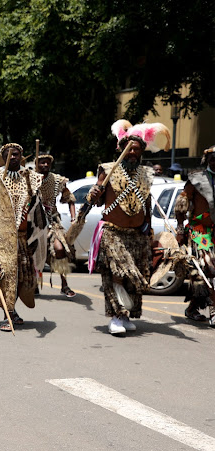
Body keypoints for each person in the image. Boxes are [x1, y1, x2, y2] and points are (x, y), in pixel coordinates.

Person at [87, 119, 166, 335]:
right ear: (121, 148)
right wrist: (93, 193)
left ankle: (127, 314)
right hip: (113, 232)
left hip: (138, 233)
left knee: (136, 276)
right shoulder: (108, 169)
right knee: (118, 272)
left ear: (141, 152)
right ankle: (116, 315)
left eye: (137, 150)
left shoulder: (146, 174)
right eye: (129, 149)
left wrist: (148, 229)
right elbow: (95, 199)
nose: (132, 153)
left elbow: (147, 203)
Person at [0, 143, 43, 329]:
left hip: (22, 237)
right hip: (2, 237)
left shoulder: (29, 177)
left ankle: (12, 310)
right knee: (7, 276)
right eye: (9, 155)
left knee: (20, 278)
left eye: (16, 154)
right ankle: (9, 314)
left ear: (21, 156)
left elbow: (36, 206)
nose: (13, 158)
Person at [175, 144, 215, 326]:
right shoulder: (196, 179)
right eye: (213, 158)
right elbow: (181, 204)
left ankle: (192, 308)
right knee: (209, 269)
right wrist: (180, 229)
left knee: (206, 273)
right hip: (200, 231)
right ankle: (213, 310)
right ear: (207, 160)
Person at [36, 153, 77, 297]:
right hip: (33, 222)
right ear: (36, 164)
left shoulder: (57, 180)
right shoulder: (29, 179)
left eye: (48, 163)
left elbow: (69, 198)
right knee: (31, 252)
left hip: (52, 222)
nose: (45, 165)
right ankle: (33, 284)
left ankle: (64, 284)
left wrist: (74, 218)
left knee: (60, 249)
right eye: (42, 163)